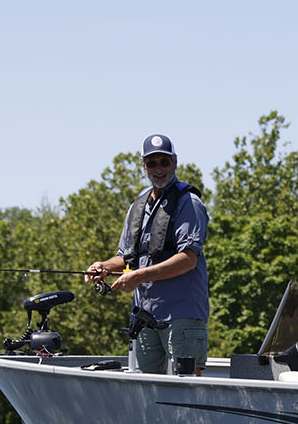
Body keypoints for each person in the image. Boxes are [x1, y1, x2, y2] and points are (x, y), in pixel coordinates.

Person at [85, 134, 210, 373]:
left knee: (188, 386)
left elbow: (188, 259)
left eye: (164, 162)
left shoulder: (189, 203)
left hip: (181, 314)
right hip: (145, 317)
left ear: (175, 162)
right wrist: (104, 266)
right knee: (148, 389)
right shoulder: (137, 206)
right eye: (152, 163)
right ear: (144, 166)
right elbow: (126, 256)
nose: (159, 169)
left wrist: (140, 276)